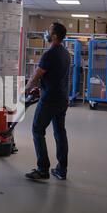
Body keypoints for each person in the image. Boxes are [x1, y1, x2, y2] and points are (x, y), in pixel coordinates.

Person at [25, 22, 70, 181]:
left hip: (49, 99)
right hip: (62, 99)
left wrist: (25, 89)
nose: (46, 33)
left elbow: (36, 76)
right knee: (59, 132)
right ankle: (61, 170)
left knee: (37, 130)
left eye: (49, 31)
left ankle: (43, 169)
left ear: (54, 36)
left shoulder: (49, 54)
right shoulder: (65, 53)